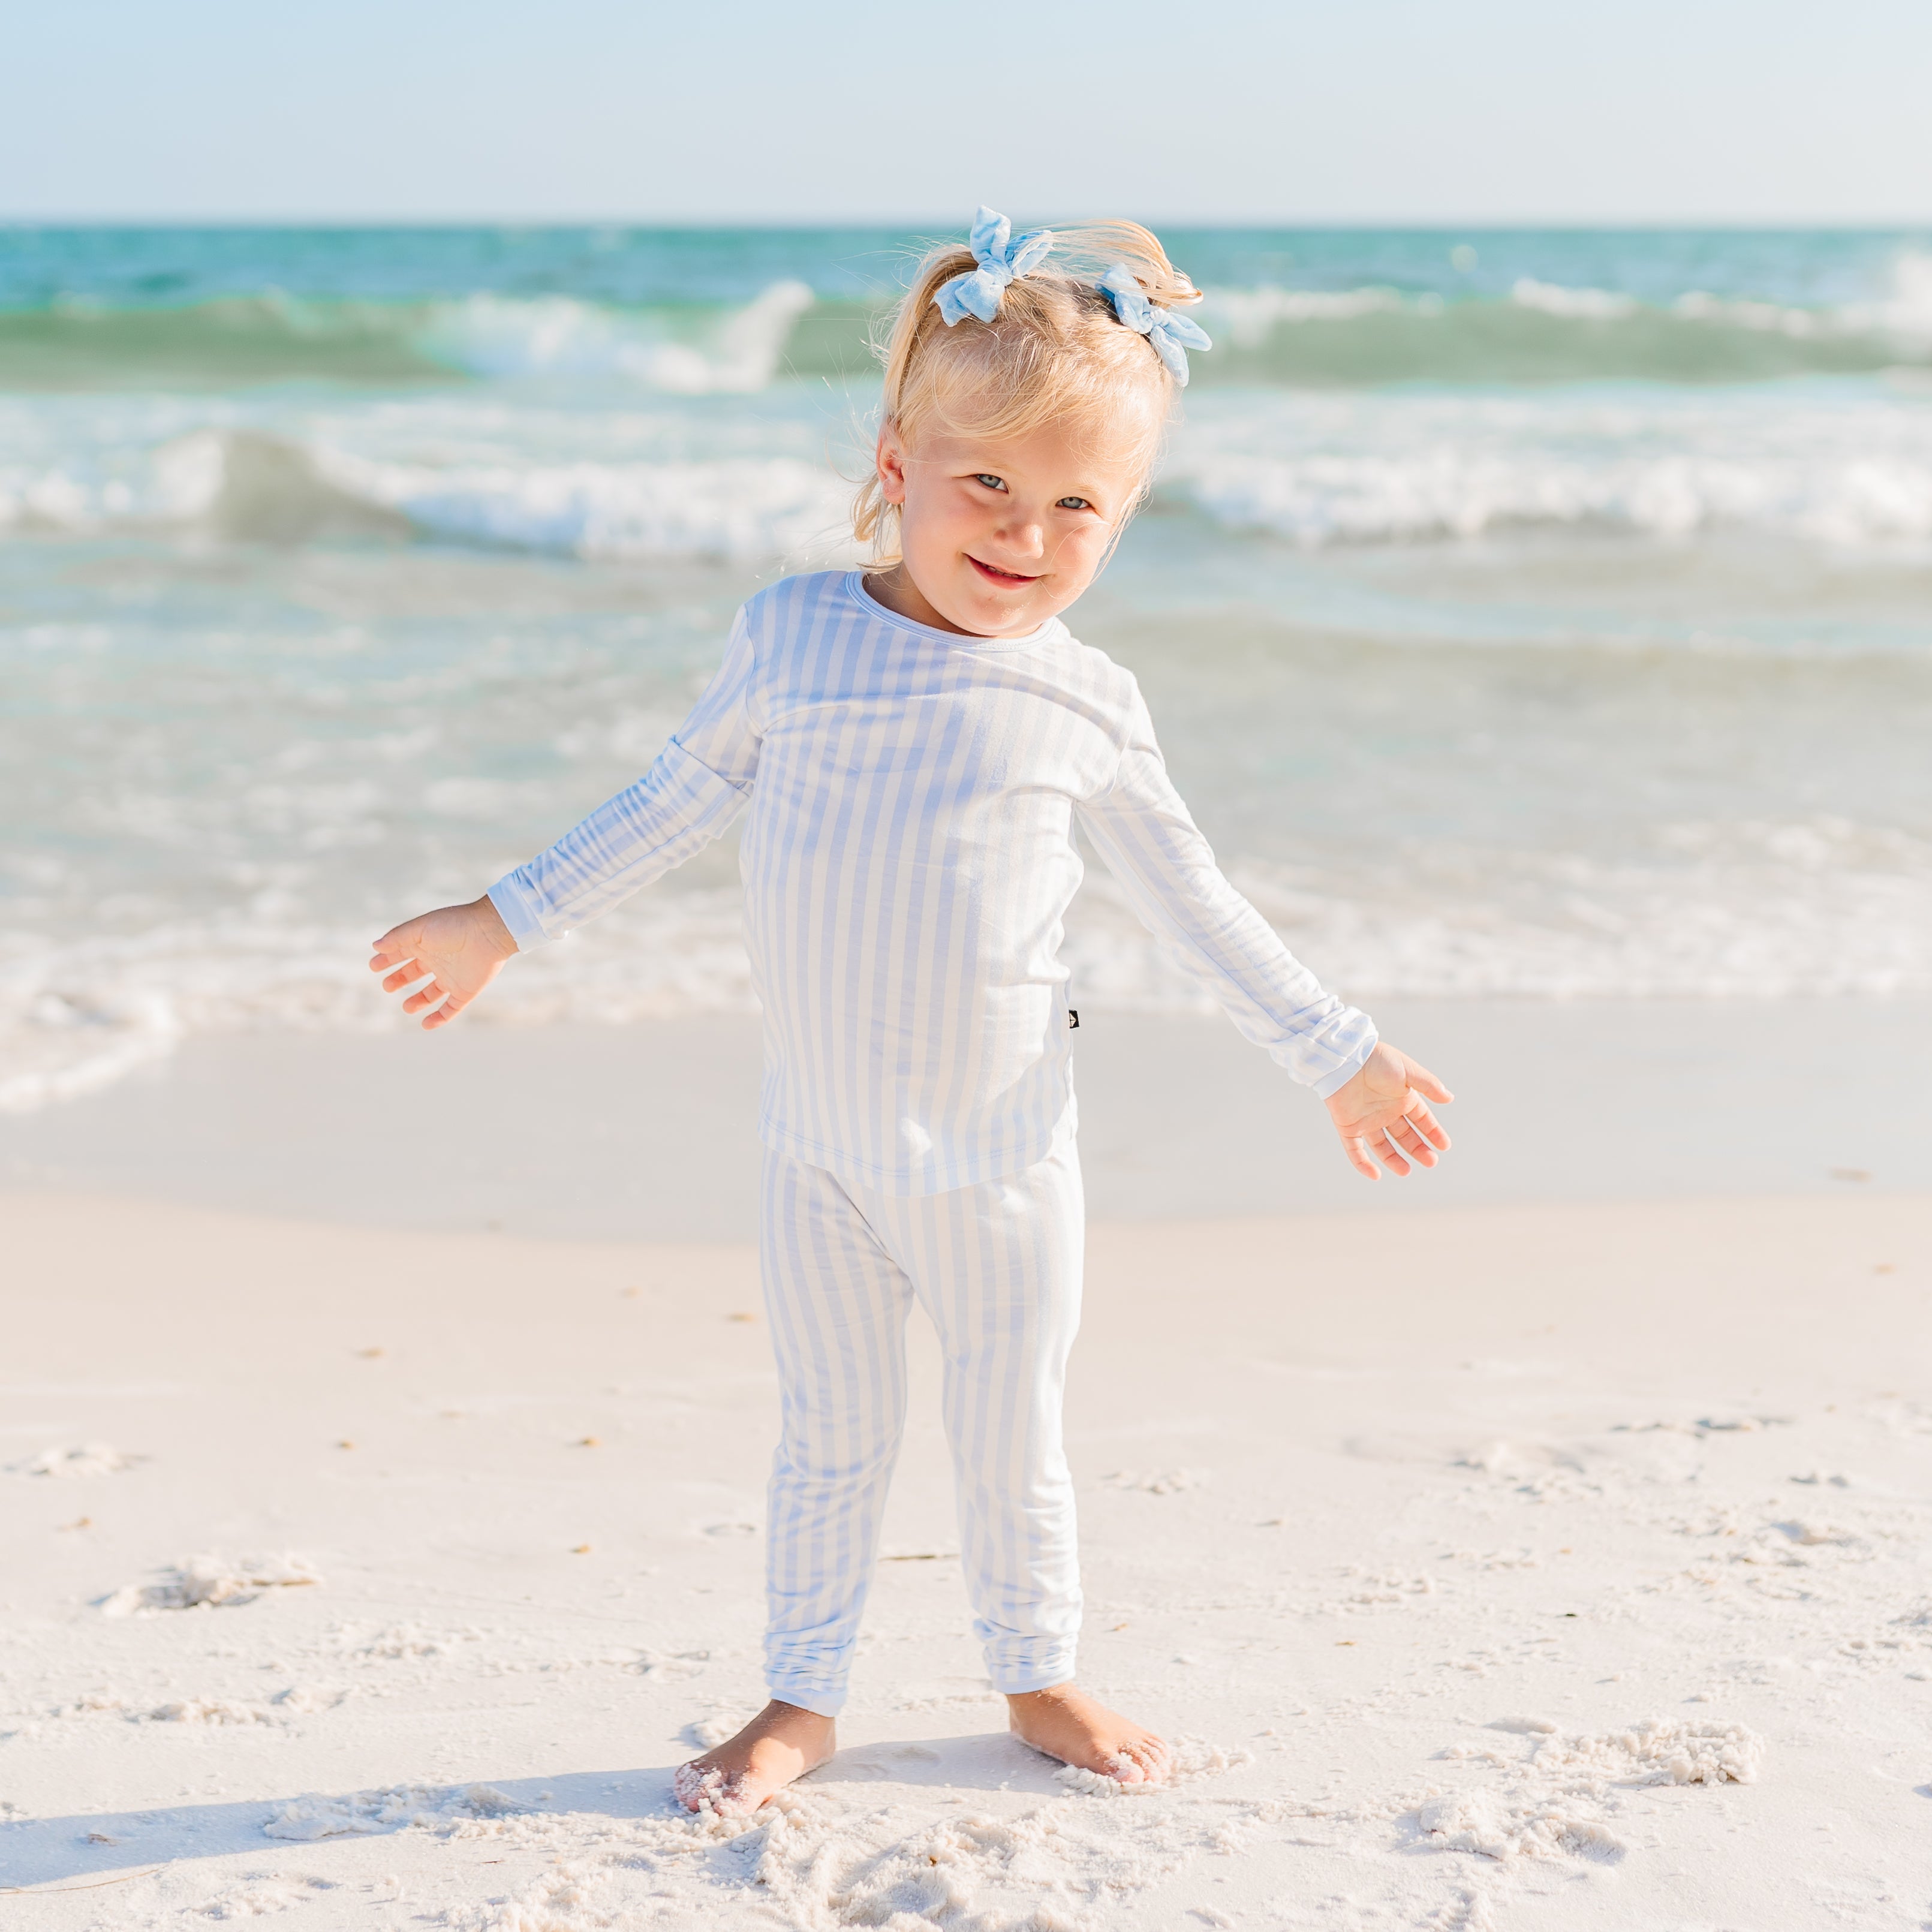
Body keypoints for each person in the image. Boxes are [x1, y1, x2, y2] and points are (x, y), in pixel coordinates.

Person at [368, 207, 1452, 1815]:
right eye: (988, 484)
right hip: (817, 1152)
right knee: (830, 1434)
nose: (1025, 532)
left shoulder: (1085, 699)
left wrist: (1338, 1055)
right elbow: (674, 803)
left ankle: (1041, 1675)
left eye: (1078, 503)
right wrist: (502, 916)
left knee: (1012, 1432)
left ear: (1128, 515)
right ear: (898, 461)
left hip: (1009, 1158)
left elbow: (1194, 902)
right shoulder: (794, 637)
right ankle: (802, 1698)